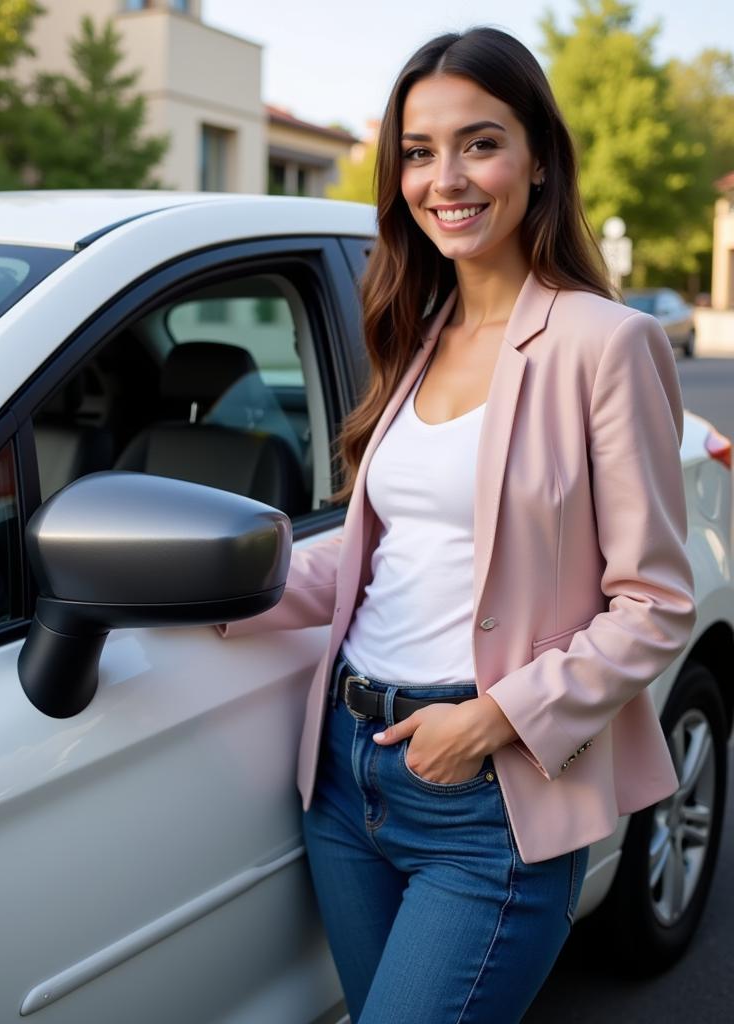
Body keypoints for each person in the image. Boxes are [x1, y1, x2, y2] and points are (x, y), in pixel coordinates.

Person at [218, 25, 696, 1024]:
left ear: (537, 161)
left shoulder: (603, 343)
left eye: (479, 143)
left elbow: (653, 604)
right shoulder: (417, 328)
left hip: (485, 793)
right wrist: (215, 584)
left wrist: (491, 722)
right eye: (419, 151)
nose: (448, 177)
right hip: (345, 779)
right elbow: (383, 557)